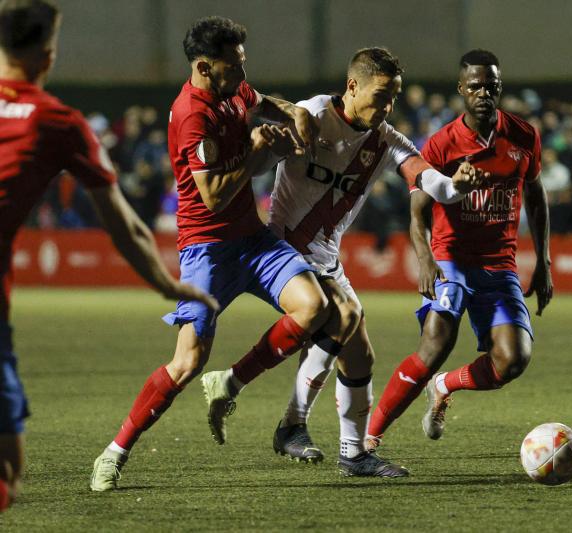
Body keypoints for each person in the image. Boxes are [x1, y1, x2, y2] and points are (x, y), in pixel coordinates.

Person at [89, 15, 345, 491]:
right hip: (207, 248)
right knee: (186, 362)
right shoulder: (192, 115)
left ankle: (230, 383)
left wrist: (292, 112)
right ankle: (116, 450)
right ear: (205, 68)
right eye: (234, 67)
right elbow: (213, 197)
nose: (243, 76)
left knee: (317, 308)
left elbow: (260, 100)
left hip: (253, 239)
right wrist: (254, 150)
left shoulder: (233, 92)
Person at [203, 47, 484, 477]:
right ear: (352, 86)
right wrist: (267, 141)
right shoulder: (311, 115)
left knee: (360, 357)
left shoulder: (386, 139)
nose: (387, 106)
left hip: (328, 259)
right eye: (381, 95)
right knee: (345, 315)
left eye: (395, 97)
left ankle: (348, 453)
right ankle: (248, 393)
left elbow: (430, 183)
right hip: (286, 250)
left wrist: (457, 184)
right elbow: (258, 159)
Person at [0, 0, 217, 510]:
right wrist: (169, 286)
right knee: (8, 470)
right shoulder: (57, 121)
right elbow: (122, 223)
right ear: (48, 54)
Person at [365, 49, 554, 454]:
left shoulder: (524, 136)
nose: (484, 93)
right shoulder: (440, 145)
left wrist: (544, 263)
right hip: (450, 257)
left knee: (513, 360)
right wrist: (425, 259)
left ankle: (445, 385)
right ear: (461, 90)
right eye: (475, 86)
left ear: (500, 88)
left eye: (491, 86)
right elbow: (417, 211)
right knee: (436, 343)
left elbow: (536, 198)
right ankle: (369, 436)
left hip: (500, 263)